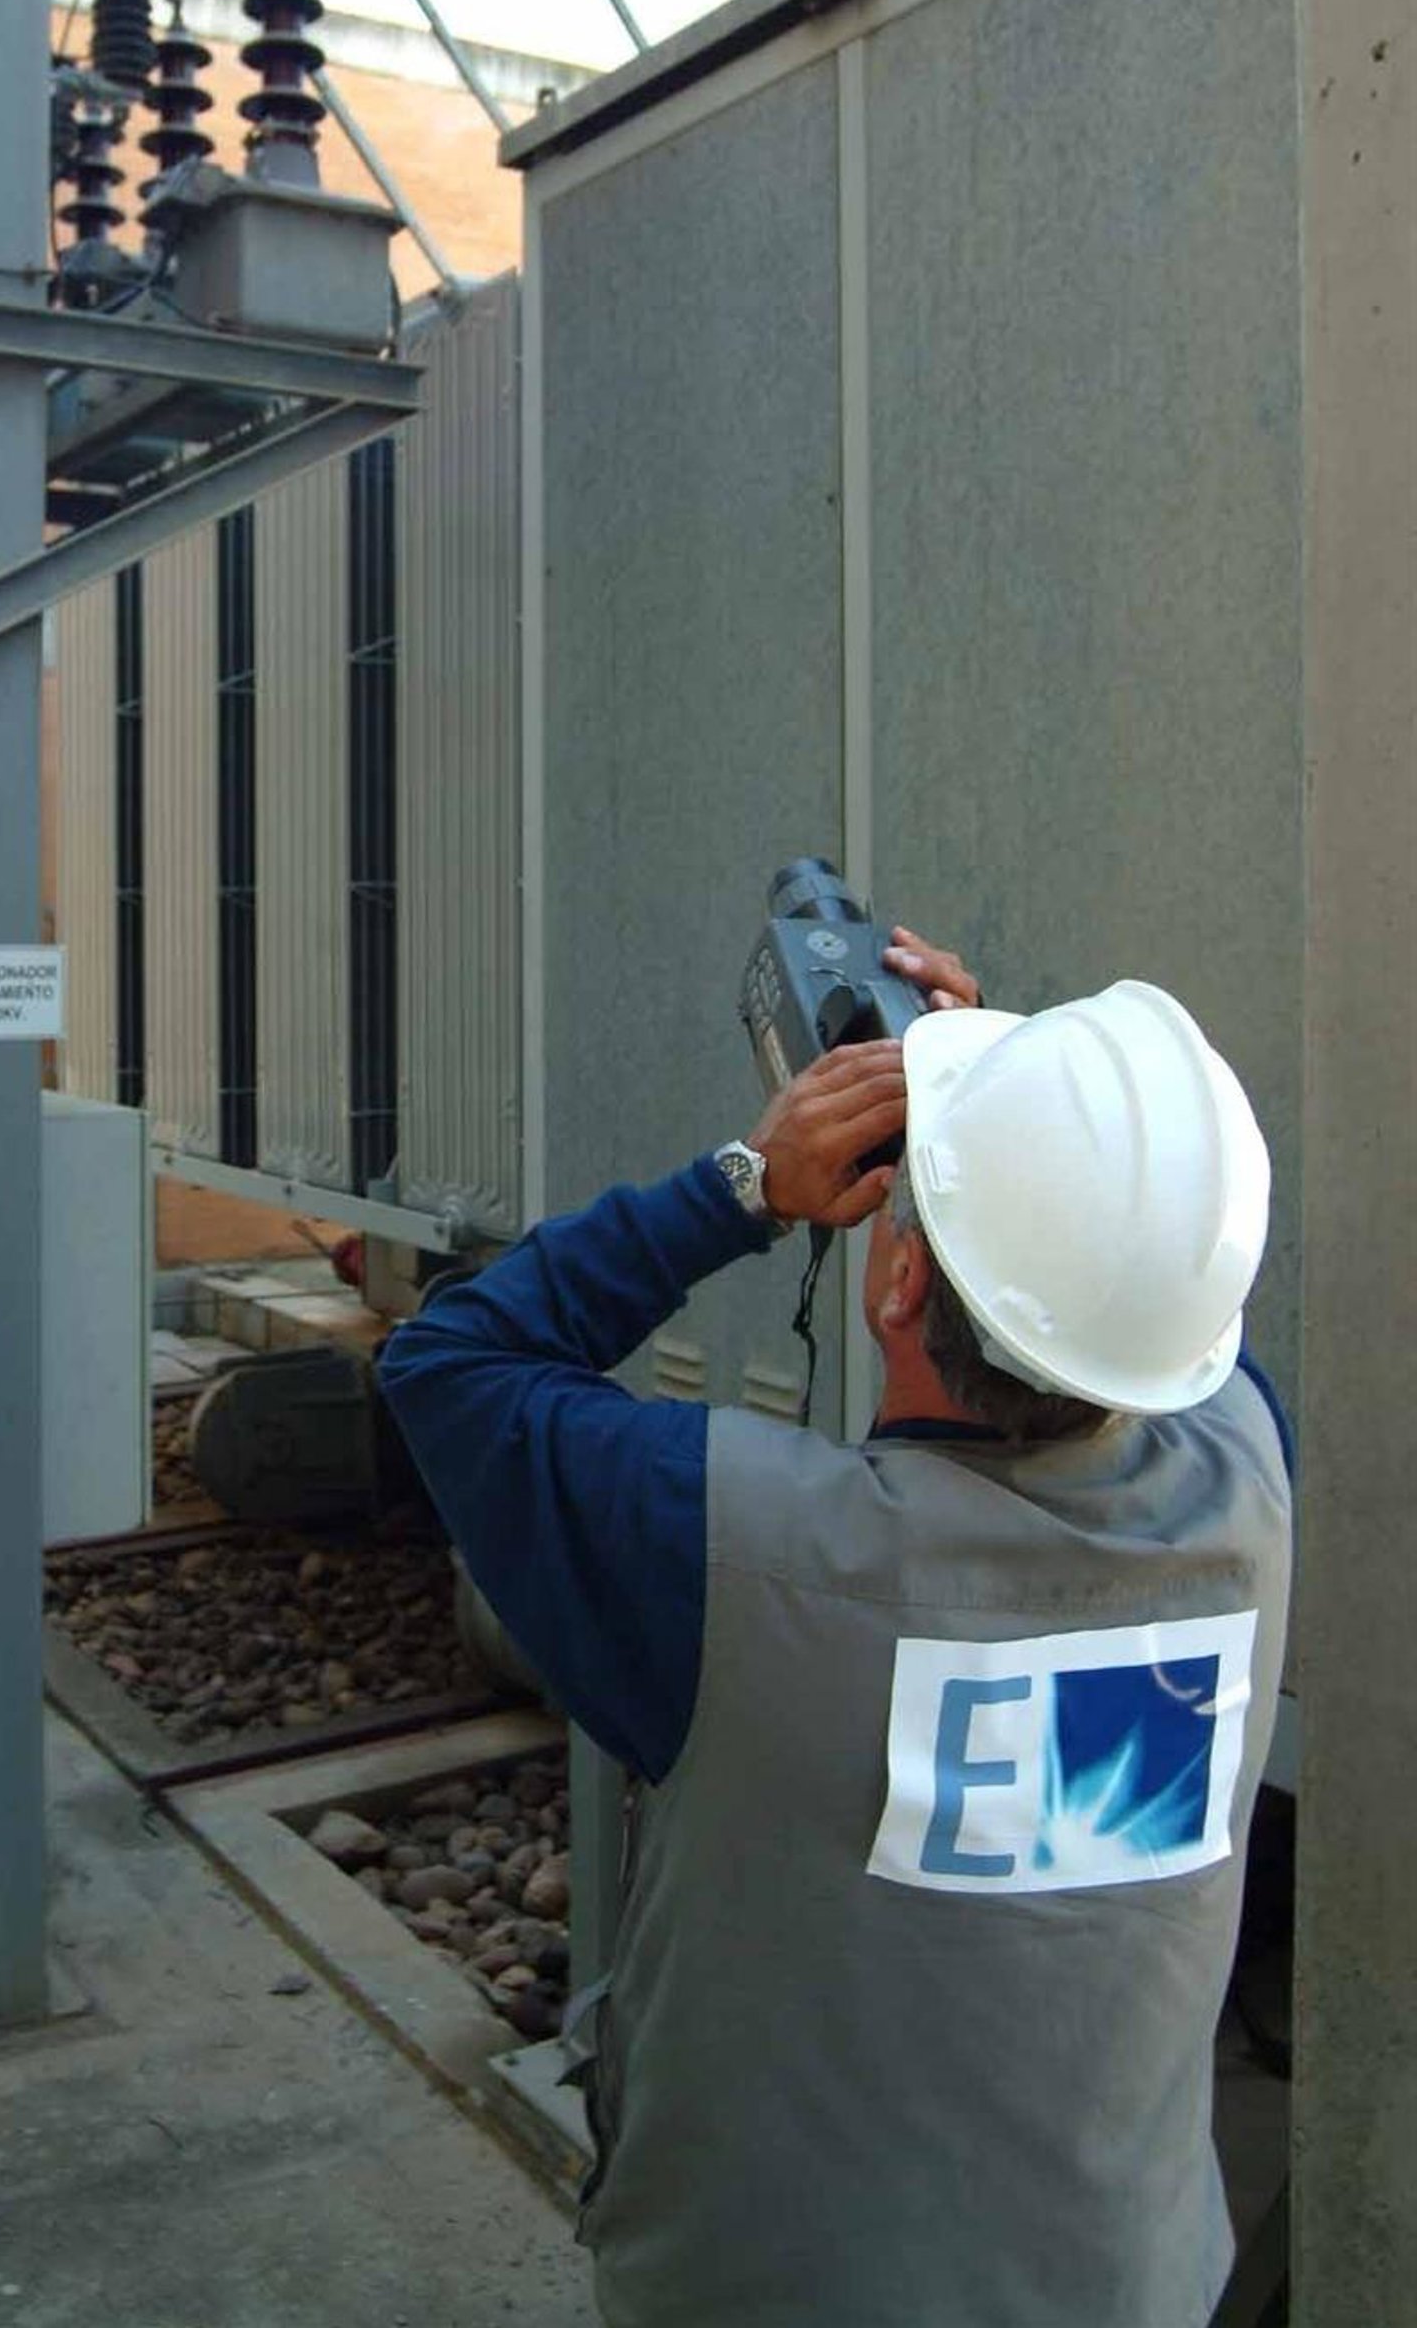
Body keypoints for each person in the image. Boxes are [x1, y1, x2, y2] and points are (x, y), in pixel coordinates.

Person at [377, 934, 1292, 2328]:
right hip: (1126, 2287)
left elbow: (448, 1362)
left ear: (897, 1284)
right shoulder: (1244, 1491)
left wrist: (743, 1185)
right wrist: (1028, 1099)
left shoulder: (723, 1550)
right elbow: (1153, 1283)